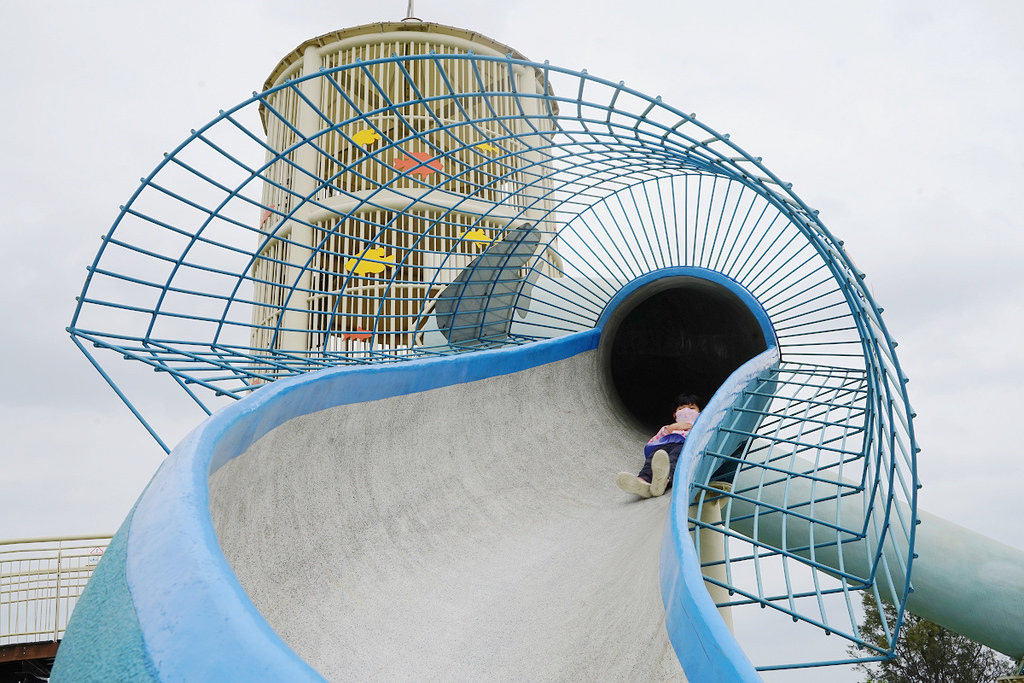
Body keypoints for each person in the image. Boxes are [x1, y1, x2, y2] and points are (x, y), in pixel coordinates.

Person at [616, 394, 701, 498]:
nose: (686, 411)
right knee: (653, 458)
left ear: (700, 413)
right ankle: (642, 481)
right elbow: (654, 441)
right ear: (675, 415)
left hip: (682, 445)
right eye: (681, 408)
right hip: (665, 445)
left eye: (692, 408)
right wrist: (670, 429)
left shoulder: (699, 427)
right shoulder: (668, 428)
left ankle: (664, 482)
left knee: (674, 461)